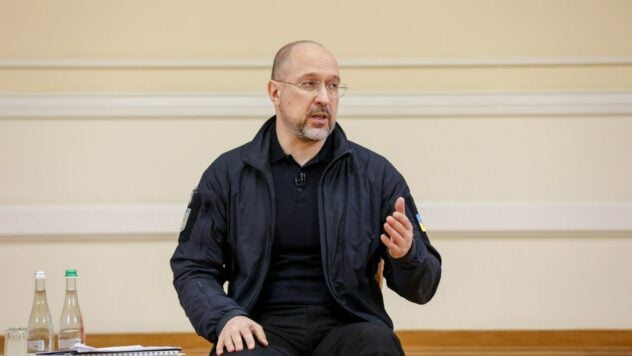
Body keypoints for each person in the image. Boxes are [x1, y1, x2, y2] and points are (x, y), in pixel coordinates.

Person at [171, 40, 442, 356]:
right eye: (309, 84)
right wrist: (225, 318)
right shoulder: (227, 175)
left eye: (333, 86)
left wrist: (407, 255)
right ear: (275, 92)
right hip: (260, 328)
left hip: (349, 326)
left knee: (378, 345)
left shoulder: (377, 176)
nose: (324, 98)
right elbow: (193, 266)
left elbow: (423, 288)